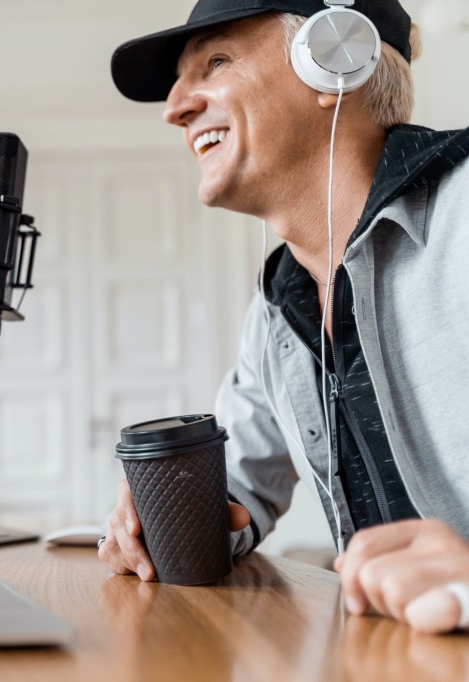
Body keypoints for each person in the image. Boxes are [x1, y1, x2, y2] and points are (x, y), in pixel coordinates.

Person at [98, 0, 469, 635]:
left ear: (333, 60)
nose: (175, 108)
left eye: (215, 62)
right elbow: (238, 484)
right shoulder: (281, 301)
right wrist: (179, 512)